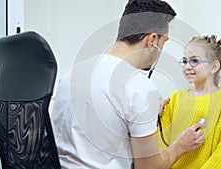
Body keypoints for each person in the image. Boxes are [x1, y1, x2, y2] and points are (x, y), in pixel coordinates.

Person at [51, 0, 205, 169]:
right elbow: (148, 167)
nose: (161, 49)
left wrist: (144, 119)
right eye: (163, 42)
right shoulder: (139, 87)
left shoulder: (72, 73)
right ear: (152, 40)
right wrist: (181, 146)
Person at [157, 35, 221, 169]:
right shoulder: (174, 99)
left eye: (194, 61)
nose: (187, 66)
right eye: (185, 61)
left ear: (214, 66)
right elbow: (161, 143)